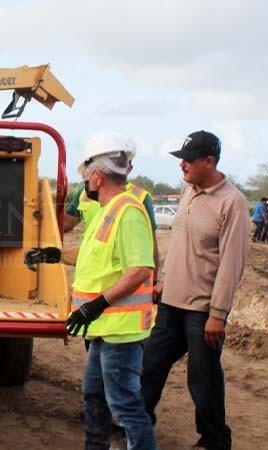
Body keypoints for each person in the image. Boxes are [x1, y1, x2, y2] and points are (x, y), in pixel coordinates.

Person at [141, 130, 249, 450]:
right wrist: (164, 282)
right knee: (149, 365)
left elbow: (232, 263)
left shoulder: (233, 203)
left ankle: (215, 440)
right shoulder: (188, 190)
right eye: (181, 159)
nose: (182, 166)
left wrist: (218, 314)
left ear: (209, 161)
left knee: (202, 380)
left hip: (202, 311)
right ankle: (137, 422)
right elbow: (180, 246)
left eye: (188, 160)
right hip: (172, 303)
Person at [66, 136, 158, 450]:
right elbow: (91, 255)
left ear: (98, 176)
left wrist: (96, 305)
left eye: (86, 176)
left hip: (120, 331)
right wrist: (53, 253)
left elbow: (140, 269)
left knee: (125, 406)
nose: (85, 182)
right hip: (103, 328)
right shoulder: (107, 209)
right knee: (94, 397)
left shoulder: (128, 212)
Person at [64, 131, 160, 273]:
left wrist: (154, 281)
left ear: (97, 177)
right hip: (91, 281)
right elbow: (69, 229)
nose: (86, 181)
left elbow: (147, 254)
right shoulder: (87, 196)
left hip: (117, 288)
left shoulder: (136, 203)